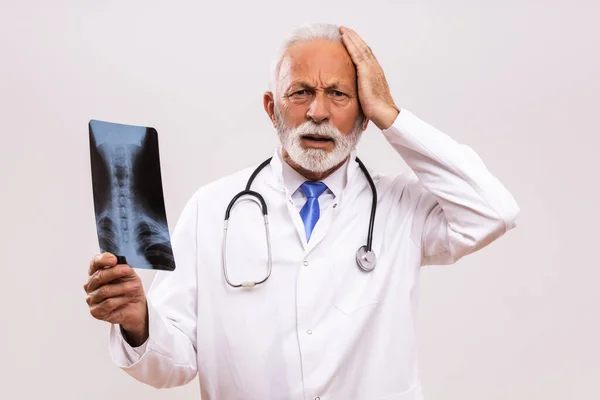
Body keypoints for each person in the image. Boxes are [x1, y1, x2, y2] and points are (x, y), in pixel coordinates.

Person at [84, 23, 520, 400]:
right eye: (301, 93)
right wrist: (139, 320)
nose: (318, 112)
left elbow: (493, 211)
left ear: (364, 116)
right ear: (272, 108)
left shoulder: (402, 207)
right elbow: (173, 362)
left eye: (339, 94)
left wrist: (391, 114)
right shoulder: (212, 208)